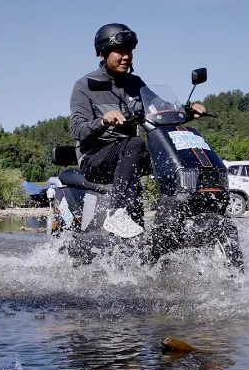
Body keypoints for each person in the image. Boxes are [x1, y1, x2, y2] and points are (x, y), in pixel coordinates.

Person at [70, 23, 206, 238]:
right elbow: (77, 129)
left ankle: (174, 220)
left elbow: (162, 109)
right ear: (102, 54)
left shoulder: (136, 83)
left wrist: (188, 112)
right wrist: (103, 122)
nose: (126, 57)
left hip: (128, 157)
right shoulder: (85, 85)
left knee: (172, 154)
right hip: (95, 157)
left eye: (129, 51)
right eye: (120, 51)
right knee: (136, 143)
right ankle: (116, 214)